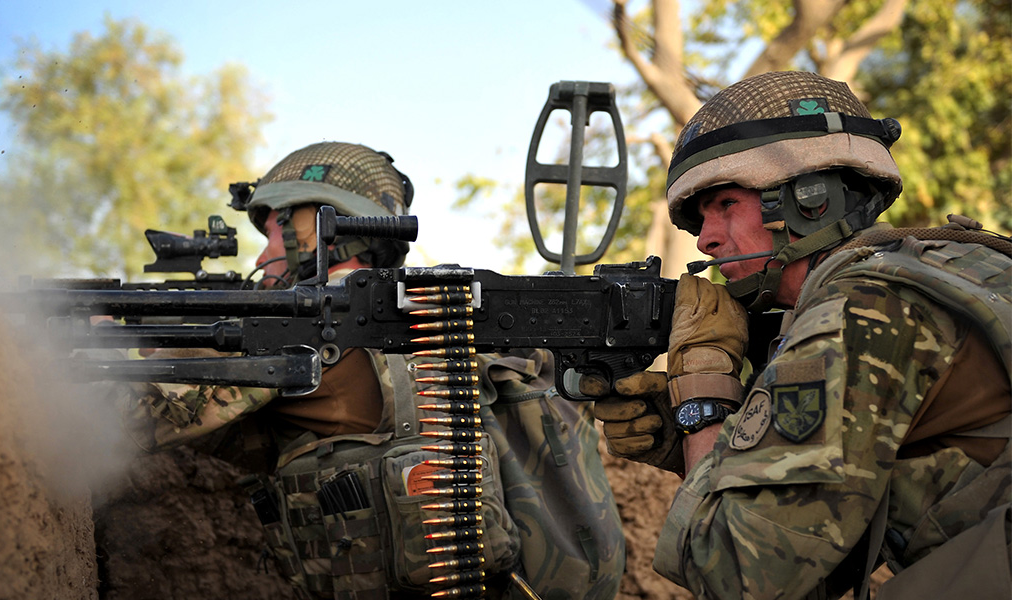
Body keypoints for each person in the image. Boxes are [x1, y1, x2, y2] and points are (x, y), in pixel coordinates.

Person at [123, 141, 625, 599]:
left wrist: (107, 345)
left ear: (312, 228)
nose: (260, 256)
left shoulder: (305, 321)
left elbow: (126, 420)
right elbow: (265, 444)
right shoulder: (418, 320)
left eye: (273, 233)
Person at [593, 70, 1011, 599]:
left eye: (725, 205)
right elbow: (819, 555)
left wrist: (703, 387)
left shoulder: (858, 312)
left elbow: (736, 574)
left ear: (812, 200)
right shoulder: (952, 266)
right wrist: (706, 450)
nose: (705, 240)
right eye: (701, 219)